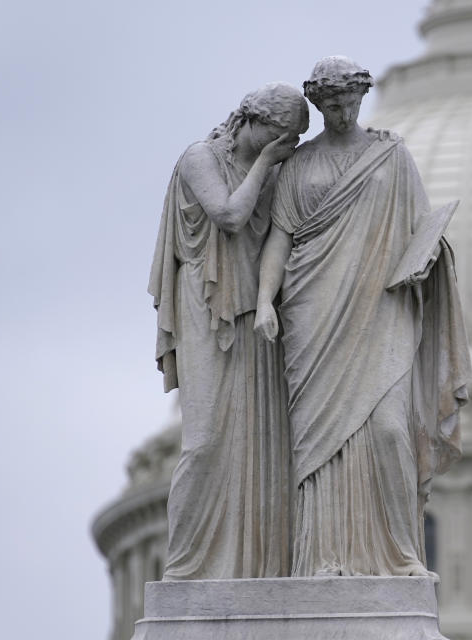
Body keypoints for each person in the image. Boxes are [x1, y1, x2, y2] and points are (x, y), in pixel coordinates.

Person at [255, 57, 471, 577]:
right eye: (331, 105)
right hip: (312, 312)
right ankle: (323, 558)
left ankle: (399, 555)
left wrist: (425, 260)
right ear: (318, 105)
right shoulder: (299, 165)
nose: (342, 111)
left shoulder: (391, 157)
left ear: (361, 98)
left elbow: (421, 228)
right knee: (318, 445)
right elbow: (279, 239)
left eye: (349, 101)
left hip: (382, 306)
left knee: (390, 430)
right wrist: (265, 301)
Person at [148, 82, 309, 580]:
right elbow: (230, 215)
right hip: (207, 303)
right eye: (280, 136)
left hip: (256, 316)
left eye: (295, 141)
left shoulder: (279, 170)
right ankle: (188, 567)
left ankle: (255, 568)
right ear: (250, 121)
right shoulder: (201, 157)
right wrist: (267, 164)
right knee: (205, 441)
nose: (286, 149)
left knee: (259, 443)